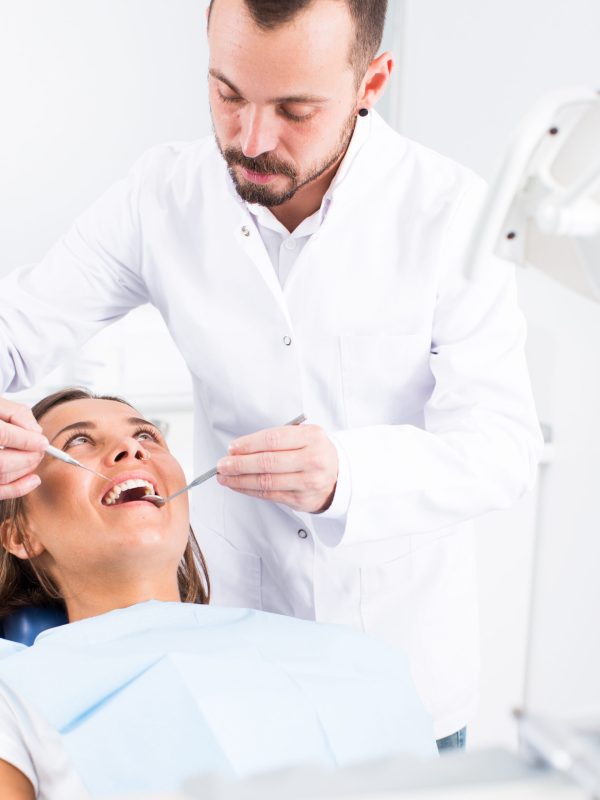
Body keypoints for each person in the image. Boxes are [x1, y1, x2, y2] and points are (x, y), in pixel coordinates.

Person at [0, 0, 542, 749]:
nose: (251, 140)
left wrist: (346, 476)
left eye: (294, 109)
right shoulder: (161, 196)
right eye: (227, 94)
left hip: (402, 676)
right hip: (226, 666)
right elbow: (16, 327)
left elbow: (502, 447)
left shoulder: (449, 215)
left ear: (370, 83)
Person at [0, 388, 436, 799]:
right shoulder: (13, 689)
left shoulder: (354, 655)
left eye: (146, 436)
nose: (133, 450)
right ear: (20, 534)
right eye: (77, 442)